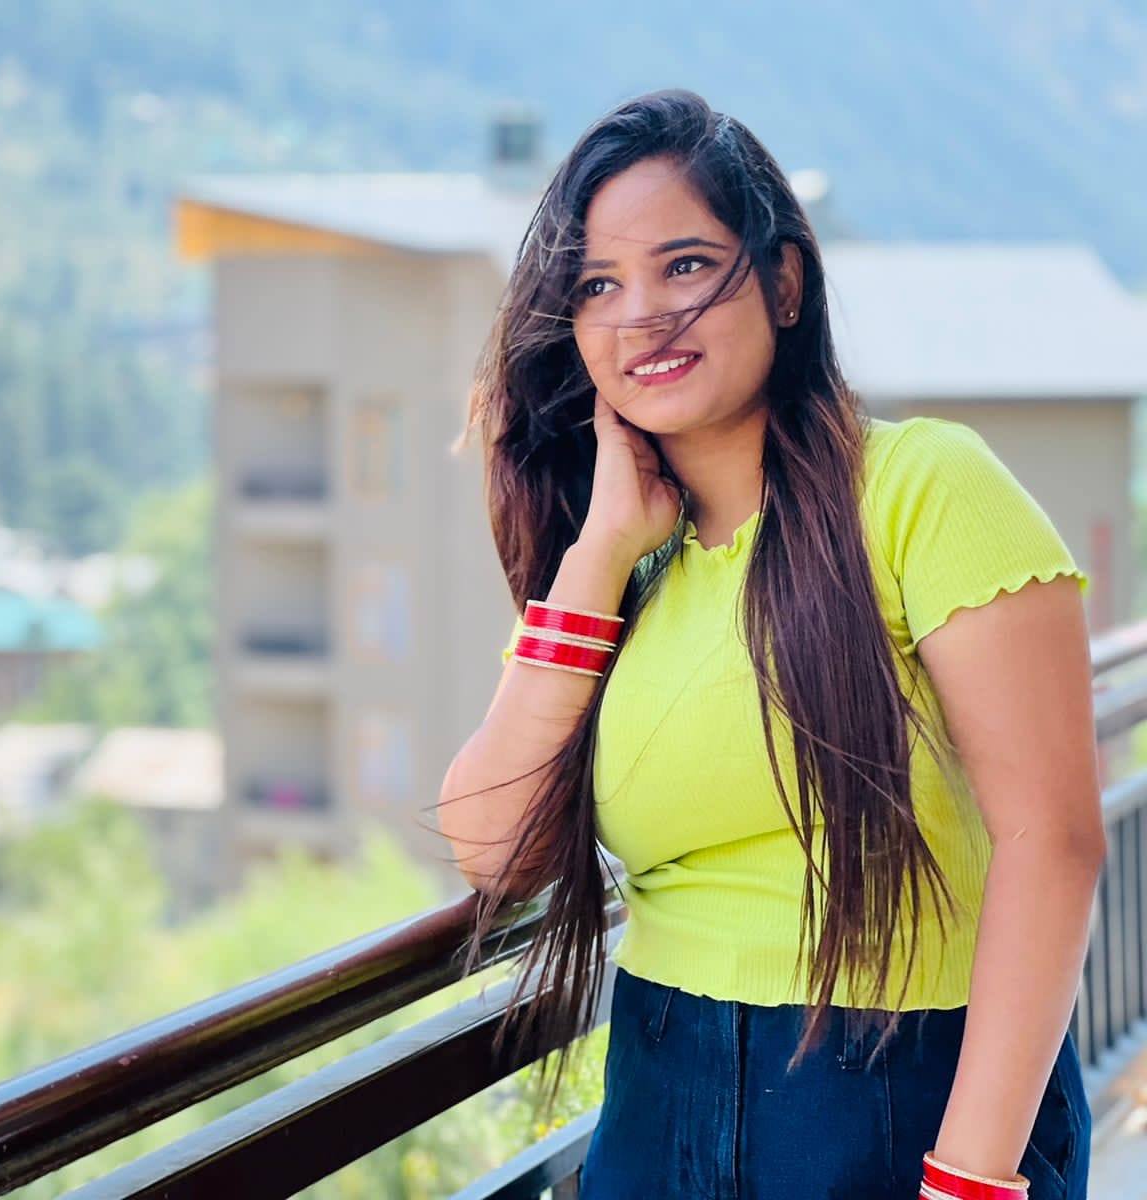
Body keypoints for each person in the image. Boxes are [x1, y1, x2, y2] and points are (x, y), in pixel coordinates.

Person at [434, 88, 1102, 1198]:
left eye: (686, 265)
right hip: (657, 1098)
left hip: (903, 1097)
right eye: (599, 285)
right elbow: (494, 853)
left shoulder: (922, 488)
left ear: (784, 283)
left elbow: (1055, 841)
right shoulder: (617, 570)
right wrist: (598, 553)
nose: (643, 315)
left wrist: (970, 1181)